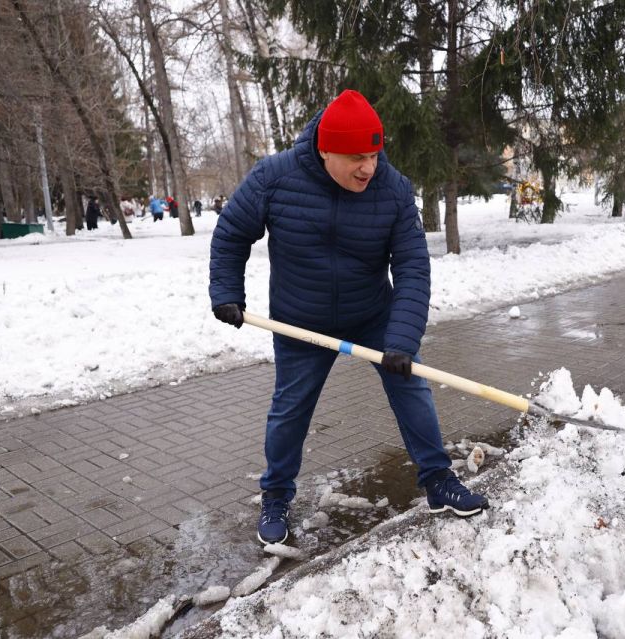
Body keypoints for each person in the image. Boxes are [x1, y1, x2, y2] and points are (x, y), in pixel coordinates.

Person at [209, 89, 489, 545]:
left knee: (410, 383)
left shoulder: (393, 189)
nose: (369, 167)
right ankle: (276, 495)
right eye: (357, 157)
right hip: (299, 318)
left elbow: (413, 265)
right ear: (325, 149)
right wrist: (226, 291)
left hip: (371, 313)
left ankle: (437, 480)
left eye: (374, 155)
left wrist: (400, 340)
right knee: (290, 407)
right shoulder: (274, 177)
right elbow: (231, 234)